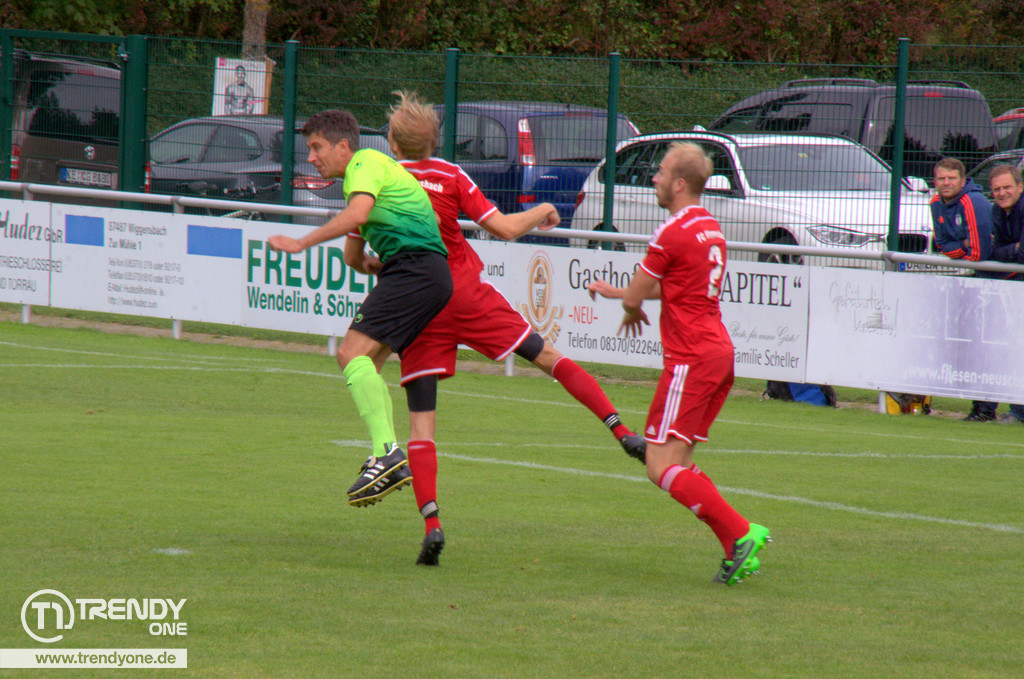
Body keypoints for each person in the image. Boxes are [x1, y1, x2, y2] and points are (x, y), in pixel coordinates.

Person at [384, 90, 646, 566]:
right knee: (545, 355)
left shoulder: (384, 182)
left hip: (419, 304)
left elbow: (366, 255)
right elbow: (504, 228)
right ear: (435, 141)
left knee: (422, 421)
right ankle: (622, 429)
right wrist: (543, 209)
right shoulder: (451, 174)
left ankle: (432, 524)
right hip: (464, 292)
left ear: (393, 144)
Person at [588, 142, 769, 585]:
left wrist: (629, 305)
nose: (654, 178)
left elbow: (639, 294)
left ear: (680, 184)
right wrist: (623, 295)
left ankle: (741, 531)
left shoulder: (671, 231)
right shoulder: (709, 226)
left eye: (661, 172)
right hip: (717, 354)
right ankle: (735, 546)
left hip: (690, 358)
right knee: (679, 462)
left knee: (659, 466)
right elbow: (670, 286)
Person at [268, 109, 453, 508]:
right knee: (366, 362)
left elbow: (358, 216)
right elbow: (354, 256)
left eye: (317, 147)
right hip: (423, 272)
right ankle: (384, 454)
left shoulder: (365, 163)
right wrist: (372, 263)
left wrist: (301, 243)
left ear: (343, 146)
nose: (311, 157)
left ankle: (387, 453)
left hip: (416, 268)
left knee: (350, 353)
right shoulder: (365, 179)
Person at [929, 157, 997, 422]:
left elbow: (980, 252)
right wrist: (962, 245)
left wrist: (961, 248)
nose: (946, 183)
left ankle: (988, 408)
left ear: (962, 180)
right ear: (935, 181)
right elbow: (942, 244)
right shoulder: (936, 203)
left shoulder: (972, 201)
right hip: (971, 281)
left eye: (951, 178)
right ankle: (981, 407)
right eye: (941, 178)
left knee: (990, 346)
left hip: (994, 281)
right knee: (972, 345)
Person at [987, 164, 1024, 424]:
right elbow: (995, 252)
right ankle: (1018, 411)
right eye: (996, 189)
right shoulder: (996, 212)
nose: (1001, 193)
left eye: (1007, 187)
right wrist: (1015, 249)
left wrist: (1011, 251)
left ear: (1020, 187)